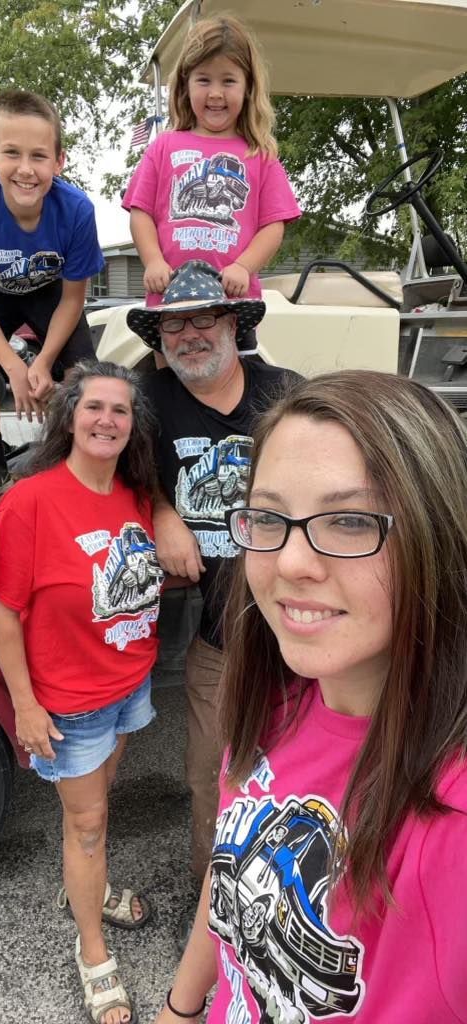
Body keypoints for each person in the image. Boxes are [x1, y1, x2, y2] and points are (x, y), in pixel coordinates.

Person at [154, 370, 467, 1024]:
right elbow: (231, 866)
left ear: (439, 534)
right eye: (268, 517)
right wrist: (182, 1008)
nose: (291, 562)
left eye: (350, 520)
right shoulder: (272, 704)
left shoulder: (448, 816)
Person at [0, 361, 164, 1024]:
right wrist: (26, 705)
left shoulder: (136, 495)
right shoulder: (29, 500)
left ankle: (85, 886)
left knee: (95, 812)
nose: (106, 420)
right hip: (68, 699)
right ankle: (93, 951)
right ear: (69, 417)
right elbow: (3, 611)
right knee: (86, 823)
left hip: (129, 684)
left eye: (120, 410)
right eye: (93, 407)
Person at [126, 259, 302, 928]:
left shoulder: (284, 392)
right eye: (174, 325)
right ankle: (213, 913)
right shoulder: (150, 398)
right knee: (211, 778)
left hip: (298, 635)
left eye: (204, 318)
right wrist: (162, 512)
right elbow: (111, 465)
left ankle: (300, 905)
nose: (189, 335)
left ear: (233, 324)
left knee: (303, 775)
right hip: (218, 644)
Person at [0, 89, 104, 506]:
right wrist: (13, 366)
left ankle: (74, 460)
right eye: (12, 153)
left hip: (51, 294)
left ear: (59, 160)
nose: (26, 170)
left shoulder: (76, 210)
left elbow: (72, 299)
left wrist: (44, 362)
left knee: (85, 376)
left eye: (39, 156)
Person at [122, 13, 301, 350]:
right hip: (170, 301)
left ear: (248, 87)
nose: (216, 93)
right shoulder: (164, 146)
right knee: (168, 384)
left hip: (233, 302)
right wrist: (153, 261)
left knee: (238, 383)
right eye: (204, 80)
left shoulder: (260, 154)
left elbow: (273, 226)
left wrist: (243, 267)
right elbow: (140, 212)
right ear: (186, 84)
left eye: (228, 81)